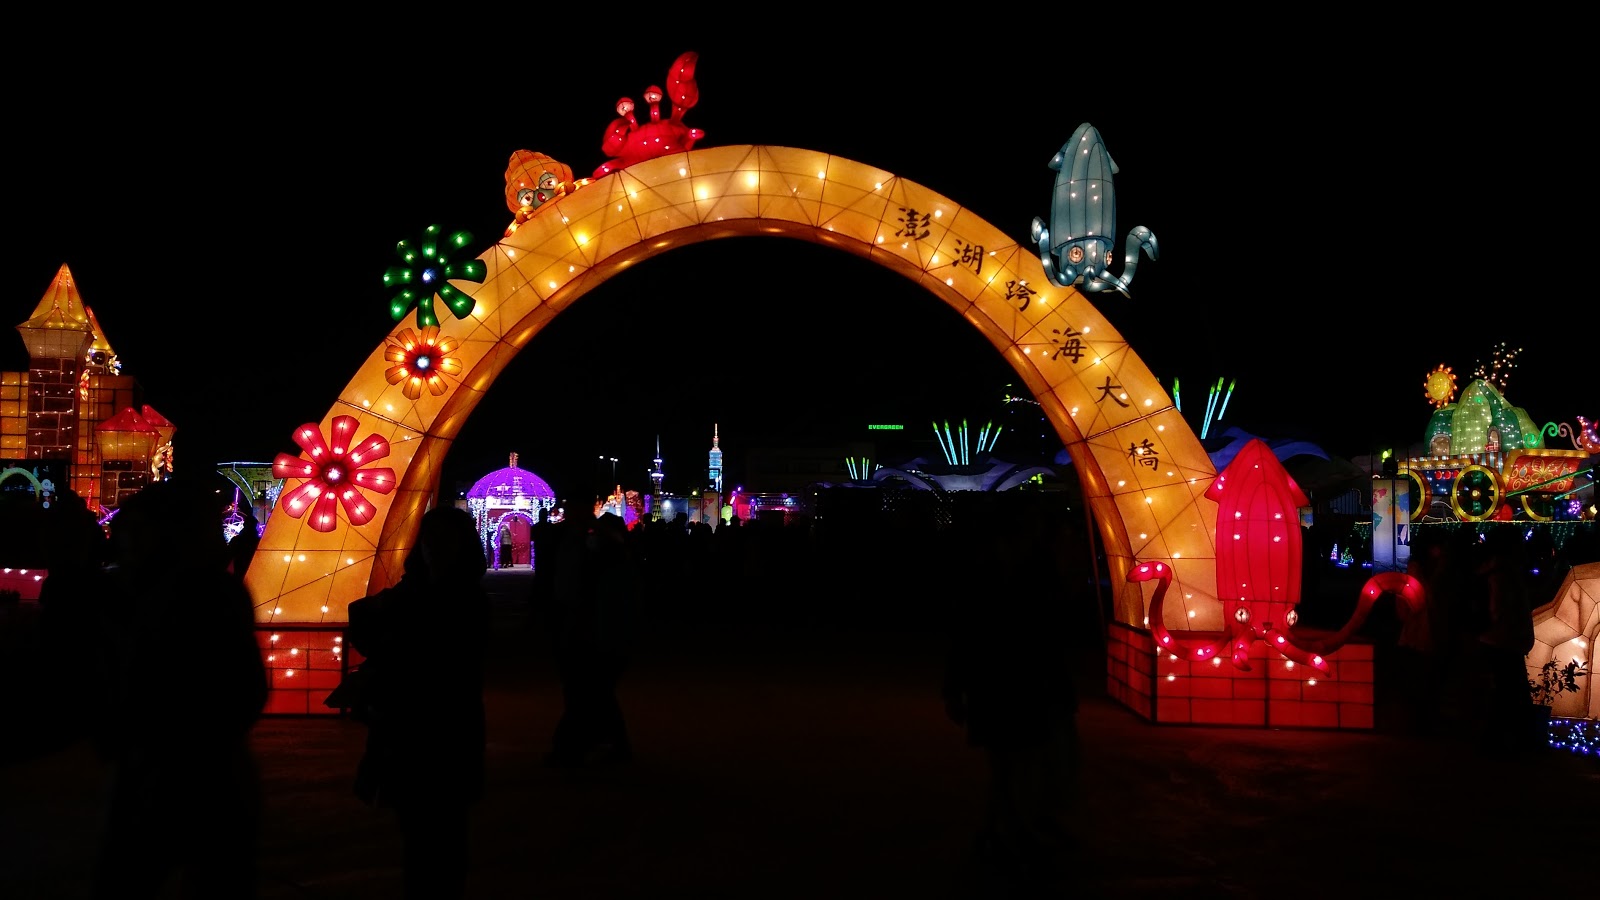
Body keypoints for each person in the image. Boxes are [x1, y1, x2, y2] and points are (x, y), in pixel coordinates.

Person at [91, 475, 269, 899]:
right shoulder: (207, 592)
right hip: (206, 775)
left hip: (178, 775)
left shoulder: (174, 599)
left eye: (132, 537)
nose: (122, 549)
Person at [346, 504, 491, 900]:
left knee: (443, 831)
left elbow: (450, 661)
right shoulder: (410, 592)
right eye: (429, 539)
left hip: (447, 727)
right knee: (417, 830)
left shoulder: (466, 600)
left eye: (446, 540)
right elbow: (365, 623)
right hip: (406, 728)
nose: (435, 548)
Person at [941, 504, 1081, 887]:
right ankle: (1011, 833)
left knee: (1011, 765)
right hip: (1006, 687)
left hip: (1015, 687)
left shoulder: (1018, 579)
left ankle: (1004, 832)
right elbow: (966, 640)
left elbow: (968, 639)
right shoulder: (1007, 581)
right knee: (1012, 764)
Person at [545, 509, 640, 767]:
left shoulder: (606, 564)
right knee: (598, 694)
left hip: (601, 638)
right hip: (607, 638)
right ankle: (607, 745)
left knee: (589, 693)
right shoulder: (616, 562)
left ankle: (572, 748)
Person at [1472, 527, 1537, 758]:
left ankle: (1497, 741)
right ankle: (1503, 742)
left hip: (1496, 639)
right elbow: (1500, 608)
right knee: (1511, 693)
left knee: (1504, 693)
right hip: (1504, 640)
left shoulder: (1492, 570)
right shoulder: (1505, 573)